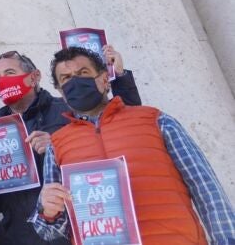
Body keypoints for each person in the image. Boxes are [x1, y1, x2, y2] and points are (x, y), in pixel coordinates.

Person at [32, 46, 235, 244]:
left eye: (83, 73)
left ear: (104, 79)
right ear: (60, 92)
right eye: (66, 78)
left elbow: (206, 189)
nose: (75, 81)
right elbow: (49, 231)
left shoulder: (156, 121)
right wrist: (46, 210)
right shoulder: (56, 145)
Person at [0, 47, 141, 245]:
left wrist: (58, 145)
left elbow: (123, 128)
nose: (2, 81)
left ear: (34, 77)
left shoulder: (69, 109)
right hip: (21, 236)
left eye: (10, 73)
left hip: (70, 232)